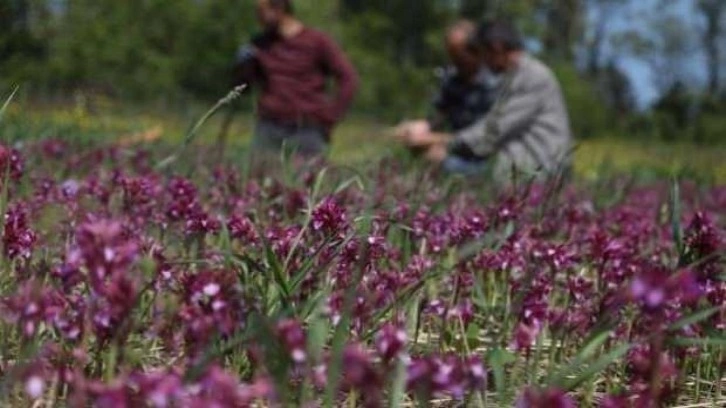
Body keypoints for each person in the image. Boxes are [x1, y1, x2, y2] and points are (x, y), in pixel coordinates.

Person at [400, 20, 573, 184]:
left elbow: (491, 132)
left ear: (497, 48)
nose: (483, 62)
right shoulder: (515, 74)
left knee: (439, 163)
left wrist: (436, 140)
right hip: (516, 164)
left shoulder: (533, 77)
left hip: (536, 168)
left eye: (484, 55)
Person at [234, 0, 359, 158]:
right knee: (259, 178)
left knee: (304, 180)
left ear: (278, 8)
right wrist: (243, 66)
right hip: (269, 126)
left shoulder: (317, 41)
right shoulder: (260, 44)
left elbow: (348, 78)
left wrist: (330, 117)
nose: (258, 19)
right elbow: (244, 88)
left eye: (261, 12)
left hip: (307, 129)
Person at [395, 19, 499, 165]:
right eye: (451, 55)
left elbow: (480, 137)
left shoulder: (494, 86)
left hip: (484, 161)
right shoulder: (452, 79)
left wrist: (433, 139)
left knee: (434, 157)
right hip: (455, 150)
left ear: (476, 51)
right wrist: (419, 127)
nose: (453, 62)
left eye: (458, 56)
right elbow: (439, 115)